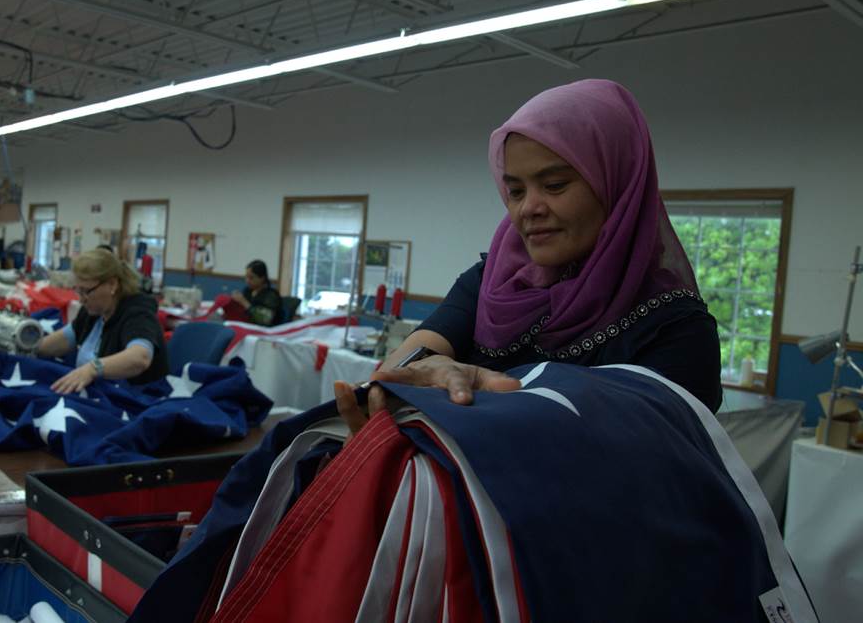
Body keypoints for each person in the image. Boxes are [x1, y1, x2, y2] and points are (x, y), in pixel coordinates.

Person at [336, 79, 722, 433]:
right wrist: (420, 373)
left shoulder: (677, 331)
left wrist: (488, 399)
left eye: (554, 185)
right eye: (516, 192)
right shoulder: (491, 283)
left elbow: (642, 457)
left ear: (617, 184)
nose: (528, 209)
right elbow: (400, 367)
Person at [39, 248, 169, 392]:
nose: (81, 299)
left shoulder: (137, 314)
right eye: (78, 291)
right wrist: (29, 347)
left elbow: (140, 358)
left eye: (86, 291)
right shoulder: (93, 311)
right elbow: (64, 339)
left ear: (112, 285)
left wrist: (93, 369)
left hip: (134, 399)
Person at [231, 260, 283, 326]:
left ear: (262, 278)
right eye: (246, 277)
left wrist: (244, 302)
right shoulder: (248, 291)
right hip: (247, 325)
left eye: (251, 278)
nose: (247, 281)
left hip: (264, 329)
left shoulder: (271, 295)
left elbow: (267, 319)